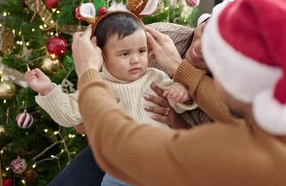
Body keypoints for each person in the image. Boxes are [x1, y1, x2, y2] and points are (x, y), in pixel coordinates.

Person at [72, 0, 286, 185]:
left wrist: (88, 72)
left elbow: (121, 145)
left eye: (218, 65)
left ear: (235, 80)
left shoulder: (237, 151)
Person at [25, 11, 200, 186]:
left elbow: (178, 105)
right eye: (124, 54)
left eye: (141, 51)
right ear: (102, 57)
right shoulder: (97, 84)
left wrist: (181, 92)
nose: (136, 60)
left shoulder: (155, 76)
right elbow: (70, 114)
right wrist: (48, 90)